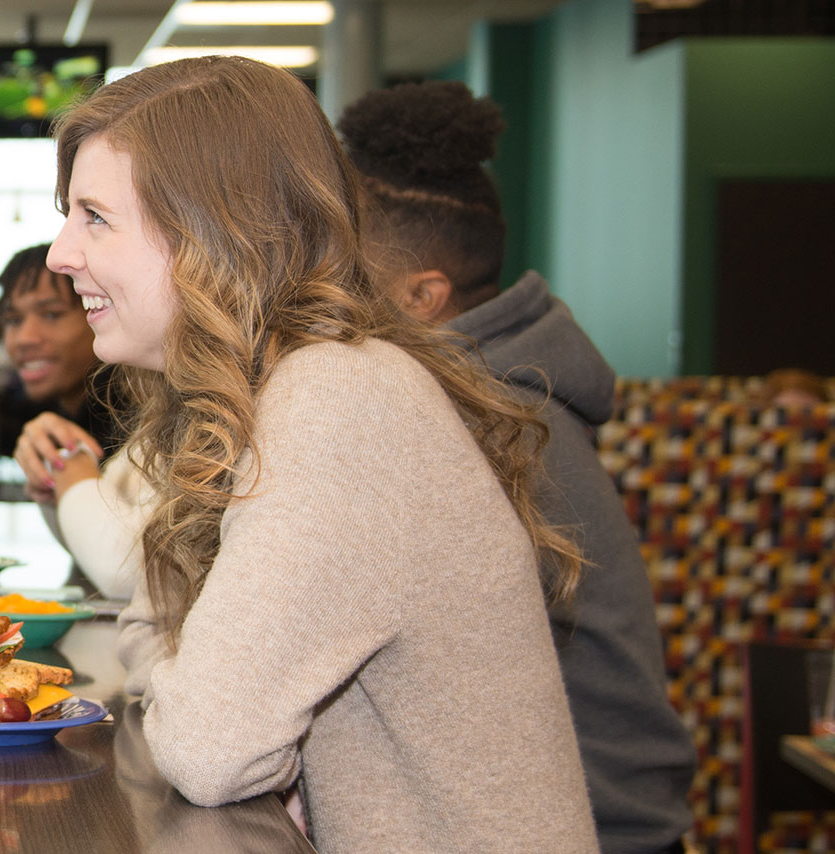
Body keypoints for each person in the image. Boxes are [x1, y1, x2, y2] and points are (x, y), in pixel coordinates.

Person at [48, 56, 595, 851]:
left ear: (213, 231)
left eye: (94, 217)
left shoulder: (338, 399)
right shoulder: (291, 387)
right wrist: (183, 663)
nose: (62, 253)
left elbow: (208, 749)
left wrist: (183, 669)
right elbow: (154, 613)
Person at [340, 79, 693, 854]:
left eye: (344, 271)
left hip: (600, 831)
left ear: (423, 295)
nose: (322, 293)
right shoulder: (494, 392)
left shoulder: (491, 420)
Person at [0, 244, 122, 461]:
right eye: (13, 320)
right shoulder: (29, 415)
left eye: (51, 315)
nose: (24, 338)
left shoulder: (139, 429)